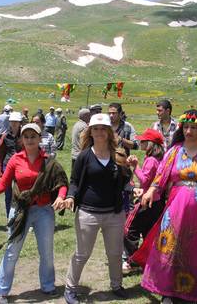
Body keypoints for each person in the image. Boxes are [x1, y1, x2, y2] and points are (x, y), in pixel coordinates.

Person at [132, 109, 197, 303]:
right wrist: (150, 191)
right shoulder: (174, 150)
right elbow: (160, 177)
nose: (189, 131)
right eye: (186, 127)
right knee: (171, 245)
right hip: (176, 206)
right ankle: (168, 288)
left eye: (193, 127)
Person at [0, 123, 69, 304]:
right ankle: (1, 291)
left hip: (44, 211)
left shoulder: (49, 161)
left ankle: (48, 285)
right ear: (22, 139)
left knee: (46, 251)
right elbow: (3, 184)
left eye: (33, 136)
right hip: (19, 210)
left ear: (39, 138)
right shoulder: (15, 159)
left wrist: (61, 196)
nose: (29, 140)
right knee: (12, 251)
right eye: (26, 136)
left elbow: (61, 182)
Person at [62, 113, 133, 304]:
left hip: (114, 213)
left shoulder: (118, 154)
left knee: (115, 252)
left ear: (109, 132)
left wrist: (132, 174)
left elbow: (125, 180)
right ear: (90, 132)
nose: (100, 132)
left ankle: (116, 285)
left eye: (103, 129)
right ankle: (70, 288)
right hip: (88, 212)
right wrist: (70, 196)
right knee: (82, 253)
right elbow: (75, 181)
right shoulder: (84, 156)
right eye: (96, 129)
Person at [122, 128, 165, 273]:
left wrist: (135, 167)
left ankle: (132, 259)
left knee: (130, 228)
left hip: (147, 202)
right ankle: (148, 260)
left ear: (151, 144)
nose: (140, 142)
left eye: (143, 140)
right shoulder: (159, 159)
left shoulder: (151, 160)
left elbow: (145, 180)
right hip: (157, 202)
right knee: (148, 232)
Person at [0, 111, 23, 220]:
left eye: (16, 122)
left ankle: (20, 217)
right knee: (8, 195)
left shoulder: (25, 136)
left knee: (20, 194)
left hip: (21, 168)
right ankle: (9, 218)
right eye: (12, 122)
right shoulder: (5, 136)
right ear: (9, 122)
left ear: (20, 122)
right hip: (7, 167)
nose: (14, 124)